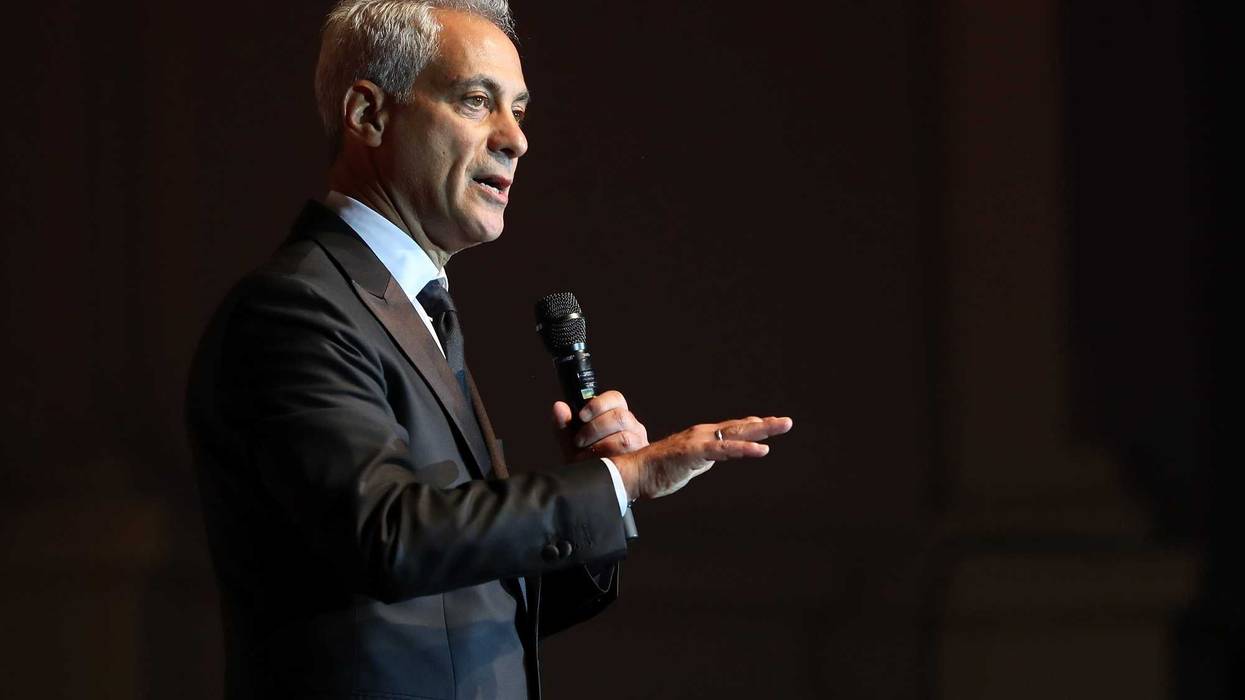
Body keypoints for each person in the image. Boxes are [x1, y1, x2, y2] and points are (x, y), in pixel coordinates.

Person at [186, 1, 792, 698]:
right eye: (476, 101)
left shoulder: (410, 309)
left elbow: (475, 603)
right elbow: (389, 538)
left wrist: (595, 495)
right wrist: (621, 482)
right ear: (368, 115)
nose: (515, 140)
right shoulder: (296, 310)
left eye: (520, 111)